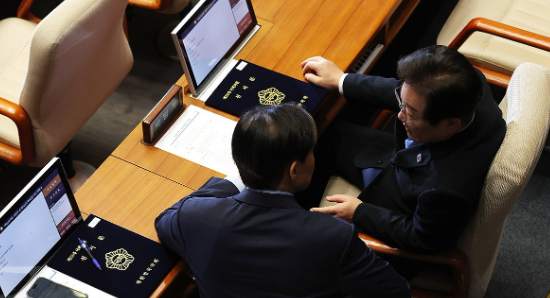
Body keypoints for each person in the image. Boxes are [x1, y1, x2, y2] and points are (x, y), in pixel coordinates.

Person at [155, 104, 409, 297]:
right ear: (294, 170)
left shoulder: (194, 216)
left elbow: (165, 220)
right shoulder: (333, 236)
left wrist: (230, 182)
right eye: (311, 152)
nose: (314, 158)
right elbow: (395, 291)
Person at [297, 45, 507, 257]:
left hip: (402, 204)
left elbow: (420, 238)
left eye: (411, 114)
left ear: (450, 125)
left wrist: (359, 212)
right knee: (318, 135)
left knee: (315, 247)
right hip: (403, 162)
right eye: (403, 106)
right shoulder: (467, 85)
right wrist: (342, 80)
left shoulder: (446, 189)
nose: (399, 116)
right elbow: (405, 91)